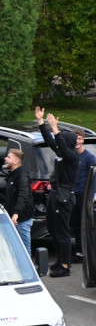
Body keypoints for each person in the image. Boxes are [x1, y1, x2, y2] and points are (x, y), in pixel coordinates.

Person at [37, 107, 78, 277]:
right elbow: (50, 140)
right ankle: (59, 260)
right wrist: (41, 122)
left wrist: (55, 129)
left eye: (61, 137)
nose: (57, 139)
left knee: (62, 233)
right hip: (55, 194)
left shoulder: (71, 157)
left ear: (67, 142)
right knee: (53, 230)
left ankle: (65, 266)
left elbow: (59, 141)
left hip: (64, 197)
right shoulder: (60, 153)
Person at [2, 148, 33, 258]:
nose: (5, 158)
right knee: (13, 248)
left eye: (8, 157)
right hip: (14, 218)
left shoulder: (21, 176)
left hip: (21, 219)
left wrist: (16, 214)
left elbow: (23, 196)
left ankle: (29, 272)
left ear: (16, 161)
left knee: (24, 249)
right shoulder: (12, 174)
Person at [71, 132, 95, 264]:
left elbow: (95, 176)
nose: (77, 141)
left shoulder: (89, 157)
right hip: (72, 195)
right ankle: (78, 252)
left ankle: (85, 253)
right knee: (75, 225)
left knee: (83, 225)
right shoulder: (72, 156)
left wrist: (93, 195)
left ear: (83, 141)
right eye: (75, 139)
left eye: (79, 139)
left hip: (84, 196)